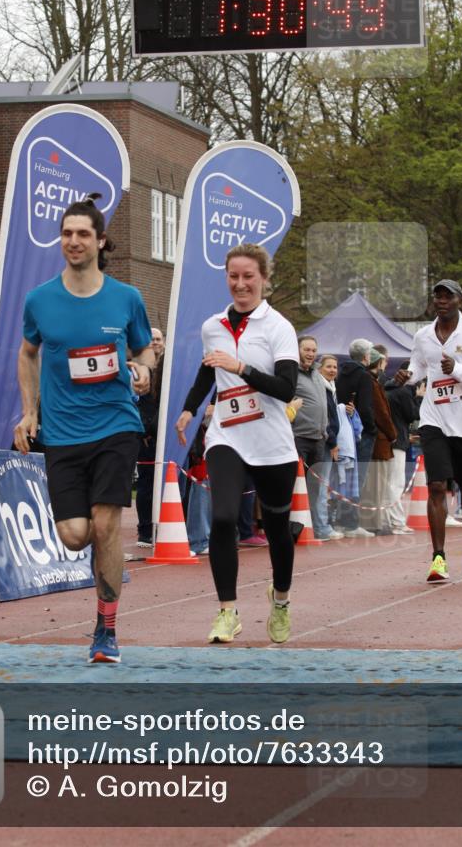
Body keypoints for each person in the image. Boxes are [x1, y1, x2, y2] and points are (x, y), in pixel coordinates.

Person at [14, 194, 154, 664]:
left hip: (116, 423)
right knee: (76, 534)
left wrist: (143, 369)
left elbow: (145, 351)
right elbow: (28, 353)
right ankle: (106, 558)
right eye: (67, 233)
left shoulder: (126, 298)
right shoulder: (40, 300)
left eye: (83, 234)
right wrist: (29, 411)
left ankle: (106, 630)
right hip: (63, 431)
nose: (74, 241)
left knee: (106, 522)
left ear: (100, 241)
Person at [176, 243, 299, 645]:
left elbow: (285, 388)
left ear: (264, 278)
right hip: (227, 434)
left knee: (279, 529)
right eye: (234, 276)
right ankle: (227, 611)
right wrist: (190, 410)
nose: (240, 284)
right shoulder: (213, 325)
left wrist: (242, 368)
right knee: (225, 517)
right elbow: (206, 372)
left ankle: (280, 600)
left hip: (271, 440)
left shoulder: (278, 327)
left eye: (248, 277)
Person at [395, 279, 462, 583]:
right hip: (434, 419)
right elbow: (419, 365)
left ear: (459, 301)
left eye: (448, 296)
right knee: (438, 486)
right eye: (438, 296)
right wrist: (408, 375)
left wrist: (458, 369)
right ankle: (438, 558)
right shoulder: (423, 335)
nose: (442, 300)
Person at [335, 338, 376, 537]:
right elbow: (366, 407)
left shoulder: (339, 374)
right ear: (366, 356)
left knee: (342, 477)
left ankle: (340, 521)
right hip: (359, 432)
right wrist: (372, 428)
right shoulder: (364, 377)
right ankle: (351, 523)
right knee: (356, 479)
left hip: (341, 431)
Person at [291, 336, 331, 539]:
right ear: (297, 350)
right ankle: (292, 528)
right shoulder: (291, 372)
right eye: (306, 349)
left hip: (319, 438)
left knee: (314, 488)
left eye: (313, 350)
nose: (310, 353)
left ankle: (310, 527)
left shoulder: (316, 373)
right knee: (296, 486)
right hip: (299, 437)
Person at [359, 348, 397, 534]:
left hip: (379, 440)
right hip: (380, 441)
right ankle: (373, 523)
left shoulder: (374, 382)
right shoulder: (372, 384)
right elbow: (381, 413)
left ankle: (374, 522)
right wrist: (393, 433)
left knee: (375, 485)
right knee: (376, 485)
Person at [384, 361, 423, 534]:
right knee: (396, 483)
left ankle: (390, 520)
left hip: (390, 439)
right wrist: (419, 397)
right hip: (398, 440)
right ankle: (397, 522)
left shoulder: (387, 389)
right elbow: (413, 414)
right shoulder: (403, 392)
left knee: (389, 482)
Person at [135, 333, 165, 547]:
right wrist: (144, 431)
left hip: (165, 434)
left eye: (158, 339)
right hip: (146, 437)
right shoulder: (138, 370)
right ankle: (145, 530)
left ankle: (164, 525)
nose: (154, 342)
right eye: (151, 339)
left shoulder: (167, 370)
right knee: (146, 483)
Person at [314, 355, 343, 540]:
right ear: (320, 369)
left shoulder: (331, 387)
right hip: (324, 441)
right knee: (321, 486)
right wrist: (332, 442)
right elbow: (324, 418)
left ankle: (320, 524)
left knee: (322, 486)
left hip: (328, 440)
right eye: (328, 366)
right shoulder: (320, 388)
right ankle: (321, 527)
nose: (332, 370)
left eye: (335, 367)